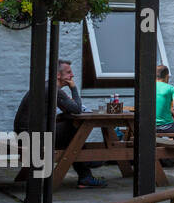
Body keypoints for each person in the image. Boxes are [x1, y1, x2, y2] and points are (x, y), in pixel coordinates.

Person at [12, 59, 106, 189]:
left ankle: (86, 171)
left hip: (25, 136)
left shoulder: (46, 86)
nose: (72, 75)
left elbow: (69, 108)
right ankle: (87, 164)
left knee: (70, 132)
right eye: (68, 72)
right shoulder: (53, 90)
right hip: (32, 138)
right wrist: (73, 88)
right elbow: (77, 109)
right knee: (74, 129)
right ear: (58, 75)